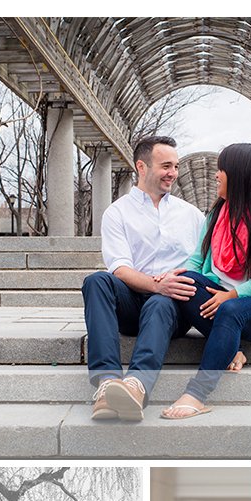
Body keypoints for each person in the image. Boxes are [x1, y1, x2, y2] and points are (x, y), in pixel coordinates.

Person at [159, 142, 251, 420]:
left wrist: (232, 295)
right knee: (183, 282)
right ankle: (231, 349)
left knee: (231, 310)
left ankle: (197, 394)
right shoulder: (216, 213)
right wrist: (175, 275)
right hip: (222, 296)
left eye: (222, 169)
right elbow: (197, 261)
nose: (216, 175)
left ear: (239, 175)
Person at [82, 135, 205, 421]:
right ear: (142, 166)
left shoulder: (192, 215)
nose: (173, 173)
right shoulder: (117, 213)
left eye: (175, 166)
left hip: (173, 308)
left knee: (160, 302)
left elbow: (214, 263)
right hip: (132, 302)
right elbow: (120, 267)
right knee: (96, 281)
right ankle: (107, 384)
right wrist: (154, 284)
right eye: (165, 166)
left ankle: (136, 386)